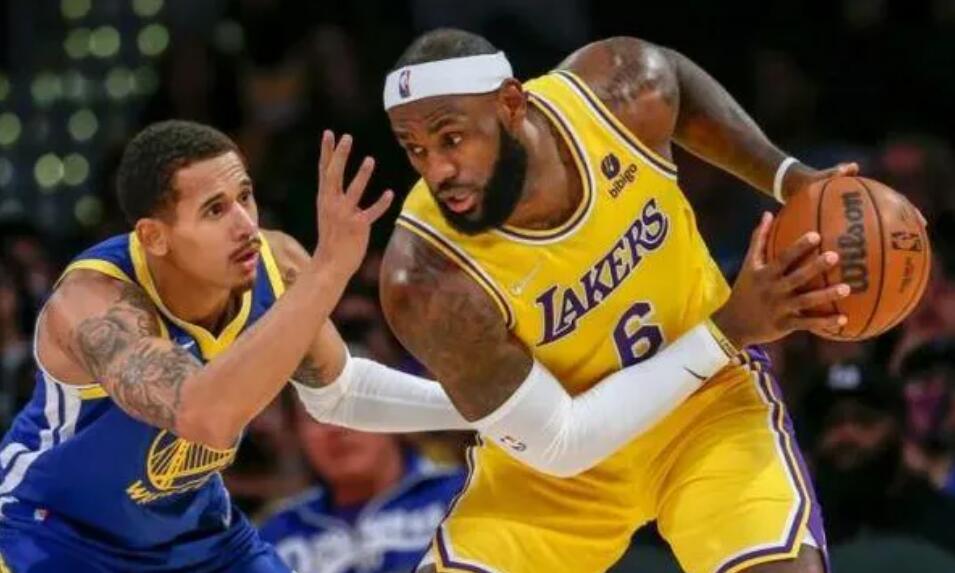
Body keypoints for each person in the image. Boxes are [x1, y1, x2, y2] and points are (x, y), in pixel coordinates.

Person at [375, 28, 878, 573]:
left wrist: (789, 180)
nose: (438, 171)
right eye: (415, 150)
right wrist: (728, 329)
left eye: (452, 139)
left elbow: (676, 82)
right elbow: (560, 444)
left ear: (511, 104)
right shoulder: (426, 277)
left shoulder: (614, 96)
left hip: (707, 408)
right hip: (552, 475)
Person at [0, 120, 403, 572]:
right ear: (154, 237)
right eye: (215, 210)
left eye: (245, 197)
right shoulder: (91, 300)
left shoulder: (276, 267)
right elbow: (206, 418)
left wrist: (467, 407)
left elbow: (345, 390)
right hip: (59, 535)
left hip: (194, 539)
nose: (246, 225)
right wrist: (328, 271)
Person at [259, 401, 466, 573]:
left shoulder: (464, 493)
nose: (336, 428)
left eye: (353, 409)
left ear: (394, 413)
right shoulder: (274, 535)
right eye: (316, 416)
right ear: (296, 434)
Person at [806, 360, 955, 554]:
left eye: (864, 420)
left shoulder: (942, 522)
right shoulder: (799, 530)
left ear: (897, 428)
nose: (846, 434)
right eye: (832, 422)